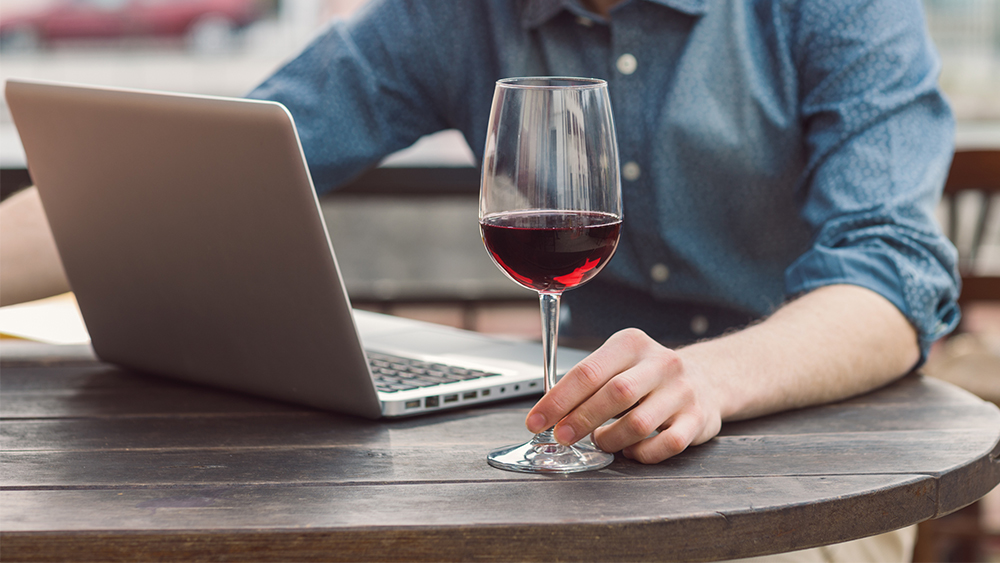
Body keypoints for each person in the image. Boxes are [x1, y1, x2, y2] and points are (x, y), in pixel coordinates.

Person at [0, 0, 958, 559]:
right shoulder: (458, 16)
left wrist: (705, 380)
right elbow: (188, 179)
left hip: (818, 450)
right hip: (589, 444)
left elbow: (895, 276)